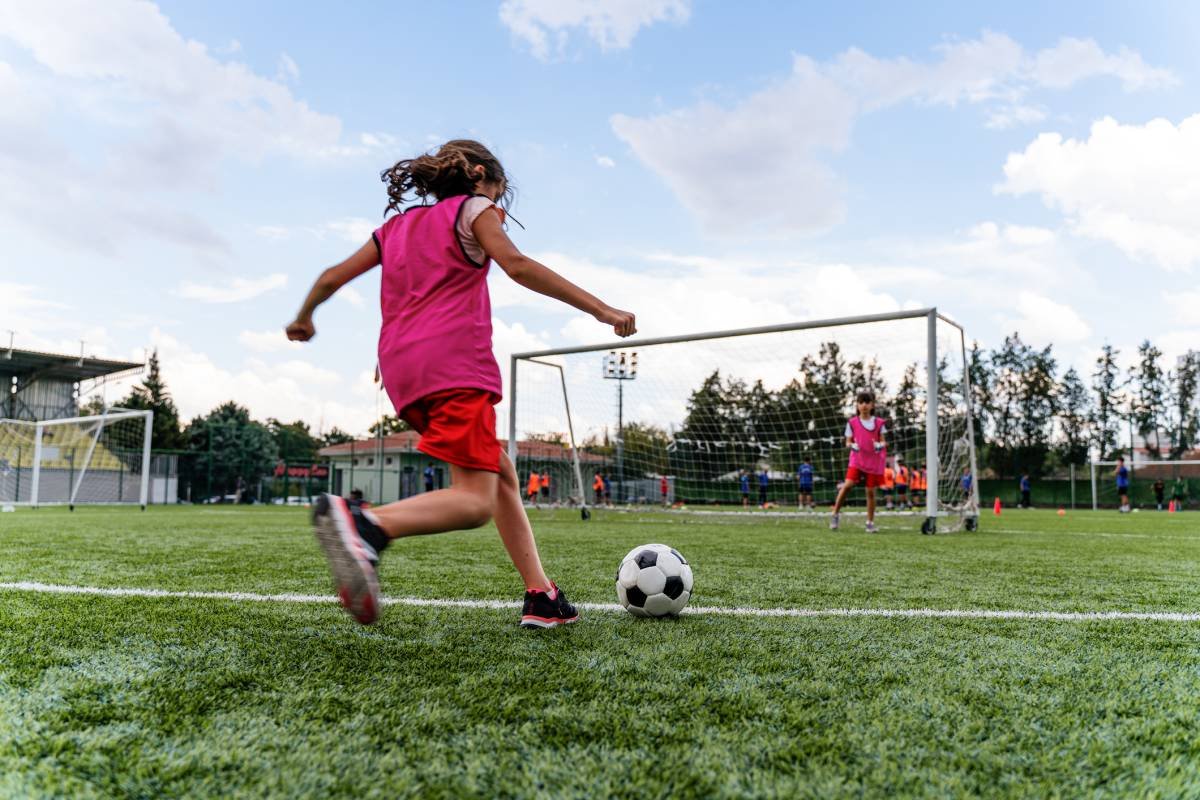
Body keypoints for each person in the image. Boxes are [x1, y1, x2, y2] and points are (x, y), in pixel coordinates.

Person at [287, 139, 635, 628]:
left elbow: (329, 277)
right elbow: (517, 265)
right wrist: (602, 309)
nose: (498, 201)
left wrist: (304, 318)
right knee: (474, 501)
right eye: (498, 189)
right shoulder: (474, 210)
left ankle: (541, 596)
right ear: (478, 174)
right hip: (453, 366)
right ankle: (367, 525)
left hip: (403, 373)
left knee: (502, 475)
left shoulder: (394, 227)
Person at [830, 391, 887, 533]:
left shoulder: (879, 423)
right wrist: (852, 445)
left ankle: (870, 522)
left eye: (867, 402)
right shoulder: (852, 423)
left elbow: (883, 441)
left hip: (873, 462)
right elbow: (848, 441)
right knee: (848, 485)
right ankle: (835, 514)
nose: (864, 405)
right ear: (857, 405)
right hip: (857, 459)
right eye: (861, 402)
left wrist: (880, 445)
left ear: (872, 405)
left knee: (870, 492)